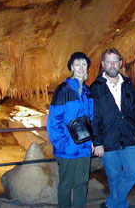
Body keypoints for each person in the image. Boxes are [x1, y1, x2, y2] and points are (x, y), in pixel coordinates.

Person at [90, 48, 135, 208]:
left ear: (120, 63)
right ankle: (119, 205)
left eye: (115, 61)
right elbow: (94, 116)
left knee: (134, 171)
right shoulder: (96, 87)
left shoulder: (129, 85)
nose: (112, 64)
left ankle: (111, 203)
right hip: (108, 139)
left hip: (129, 138)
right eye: (108, 61)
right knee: (114, 177)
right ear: (103, 64)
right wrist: (97, 142)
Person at [47, 52, 94, 208]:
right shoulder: (63, 90)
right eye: (77, 64)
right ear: (72, 68)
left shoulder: (88, 91)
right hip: (68, 148)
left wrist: (93, 141)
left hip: (85, 147)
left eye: (84, 64)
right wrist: (63, 145)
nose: (81, 68)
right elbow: (54, 122)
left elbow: (91, 119)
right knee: (66, 184)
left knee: (82, 183)